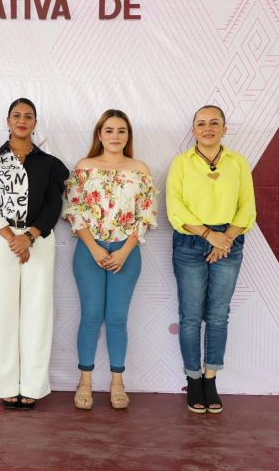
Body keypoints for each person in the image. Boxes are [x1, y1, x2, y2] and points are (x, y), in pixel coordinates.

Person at [0, 98, 68, 409]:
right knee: (1, 311)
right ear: (8, 120)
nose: (22, 120)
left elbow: (54, 206)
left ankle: (33, 386)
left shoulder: (50, 163)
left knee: (38, 312)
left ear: (36, 123)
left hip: (38, 239)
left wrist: (30, 236)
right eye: (17, 115)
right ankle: (5, 384)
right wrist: (13, 238)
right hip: (2, 240)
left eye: (28, 116)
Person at [62, 109, 158, 410]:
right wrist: (93, 247)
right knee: (91, 316)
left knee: (117, 318)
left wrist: (125, 250)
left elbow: (146, 213)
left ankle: (118, 382)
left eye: (121, 131)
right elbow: (74, 209)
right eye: (109, 130)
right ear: (99, 134)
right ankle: (85, 381)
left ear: (128, 136)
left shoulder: (139, 168)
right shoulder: (84, 167)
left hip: (126, 251)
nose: (115, 136)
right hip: (90, 250)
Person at [166, 105, 256, 414]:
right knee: (191, 315)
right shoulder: (181, 163)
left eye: (214, 123)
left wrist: (225, 238)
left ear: (224, 128)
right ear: (193, 131)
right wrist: (208, 235)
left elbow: (247, 208)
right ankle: (193, 379)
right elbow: (175, 208)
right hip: (191, 242)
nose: (208, 128)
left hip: (229, 243)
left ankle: (210, 378)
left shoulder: (238, 163)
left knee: (218, 314)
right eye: (201, 123)